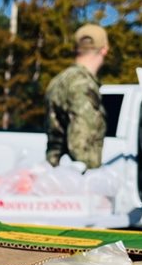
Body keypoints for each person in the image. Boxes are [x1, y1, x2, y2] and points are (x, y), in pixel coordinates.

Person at [44, 23, 109, 169]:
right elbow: (81, 146)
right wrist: (91, 174)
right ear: (104, 49)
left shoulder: (58, 81)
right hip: (78, 178)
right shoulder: (83, 84)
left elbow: (55, 140)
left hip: (55, 172)